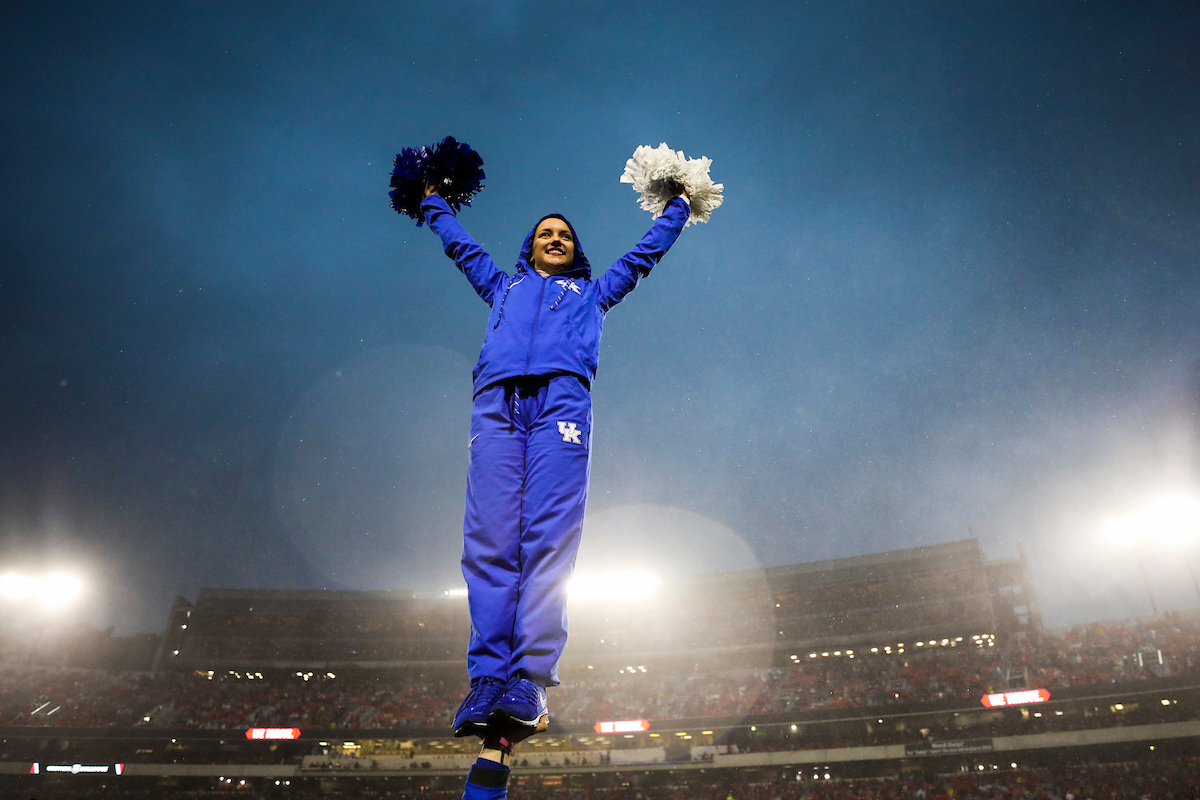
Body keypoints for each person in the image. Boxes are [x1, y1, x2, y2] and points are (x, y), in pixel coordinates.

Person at [419, 179, 691, 744]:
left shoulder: (593, 292)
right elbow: (461, 245)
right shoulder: (501, 286)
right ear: (530, 245)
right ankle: (487, 679)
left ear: (575, 249)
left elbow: (644, 255)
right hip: (495, 405)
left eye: (564, 235)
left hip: (562, 405)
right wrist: (430, 199)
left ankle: (529, 680)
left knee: (547, 539)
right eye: (545, 233)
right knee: (489, 541)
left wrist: (681, 206)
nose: (555, 238)